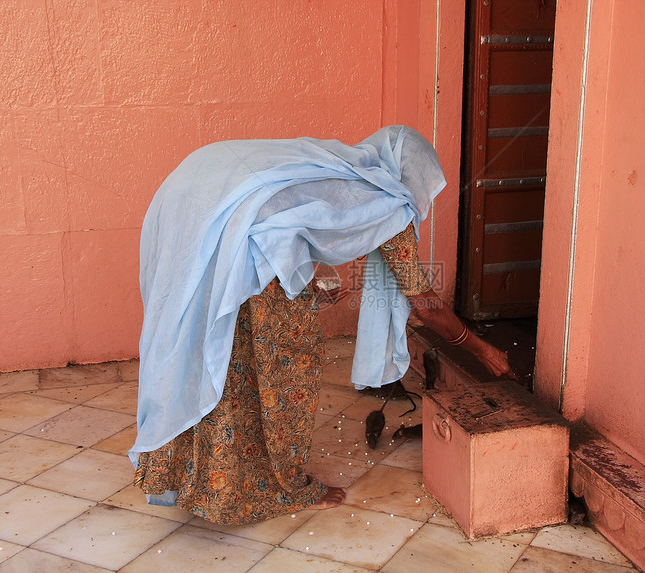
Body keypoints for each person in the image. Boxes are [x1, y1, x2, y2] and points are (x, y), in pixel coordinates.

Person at [130, 125, 515, 524]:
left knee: (218, 359)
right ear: (414, 176)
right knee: (283, 373)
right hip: (238, 247)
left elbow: (285, 215)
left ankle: (197, 479)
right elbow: (425, 303)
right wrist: (481, 349)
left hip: (198, 219)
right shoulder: (390, 202)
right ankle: (281, 487)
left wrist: (309, 282)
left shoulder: (341, 168)